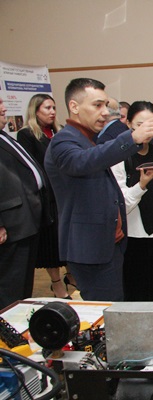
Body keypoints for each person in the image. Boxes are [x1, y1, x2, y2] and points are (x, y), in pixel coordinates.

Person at [44, 78, 153, 301]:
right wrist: (132, 138)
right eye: (97, 105)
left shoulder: (89, 139)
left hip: (108, 244)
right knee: (106, 310)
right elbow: (84, 162)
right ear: (74, 106)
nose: (105, 112)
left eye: (106, 105)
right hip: (89, 248)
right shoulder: (64, 141)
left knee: (116, 305)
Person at [111, 101, 153, 301]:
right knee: (136, 290)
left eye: (152, 125)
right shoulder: (119, 156)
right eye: (140, 125)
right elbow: (121, 204)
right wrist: (141, 185)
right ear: (128, 124)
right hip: (134, 234)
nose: (147, 130)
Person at [17, 94, 73, 299]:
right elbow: (31, 168)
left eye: (54, 108)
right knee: (51, 243)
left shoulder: (60, 131)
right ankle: (56, 283)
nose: (52, 112)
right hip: (46, 197)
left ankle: (71, 275)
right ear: (35, 110)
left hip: (64, 193)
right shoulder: (27, 134)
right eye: (47, 108)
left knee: (66, 238)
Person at [0, 97, 49, 309]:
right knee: (9, 287)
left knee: (22, 286)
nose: (4, 108)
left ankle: (18, 319)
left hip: (25, 221)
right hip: (11, 224)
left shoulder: (4, 136)